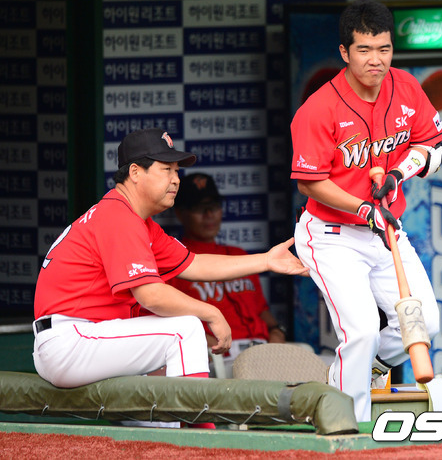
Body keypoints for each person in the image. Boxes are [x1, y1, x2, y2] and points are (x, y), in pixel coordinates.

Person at [32, 128, 307, 403]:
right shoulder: (118, 215)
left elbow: (195, 263)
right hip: (71, 340)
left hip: (85, 339)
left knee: (156, 404)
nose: (176, 179)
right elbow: (150, 295)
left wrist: (266, 260)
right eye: (166, 169)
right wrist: (211, 313)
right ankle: (198, 428)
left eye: (176, 171)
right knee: (186, 329)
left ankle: (170, 427)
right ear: (135, 172)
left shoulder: (137, 221)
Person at [290, 0, 442, 422]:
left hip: (386, 230)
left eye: (384, 48)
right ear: (344, 52)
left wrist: (398, 174)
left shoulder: (406, 86)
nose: (375, 59)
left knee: (425, 324)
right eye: (364, 49)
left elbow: (431, 146)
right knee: (360, 331)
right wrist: (363, 207)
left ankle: (362, 371)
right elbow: (309, 182)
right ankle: (347, 428)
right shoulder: (318, 108)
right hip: (332, 235)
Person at [166, 172, 287, 377]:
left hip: (263, 352)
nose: (209, 214)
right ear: (180, 213)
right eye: (199, 208)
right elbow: (166, 317)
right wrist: (199, 340)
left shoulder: (240, 255)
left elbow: (261, 309)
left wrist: (277, 330)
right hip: (221, 359)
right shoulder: (174, 260)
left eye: (214, 206)